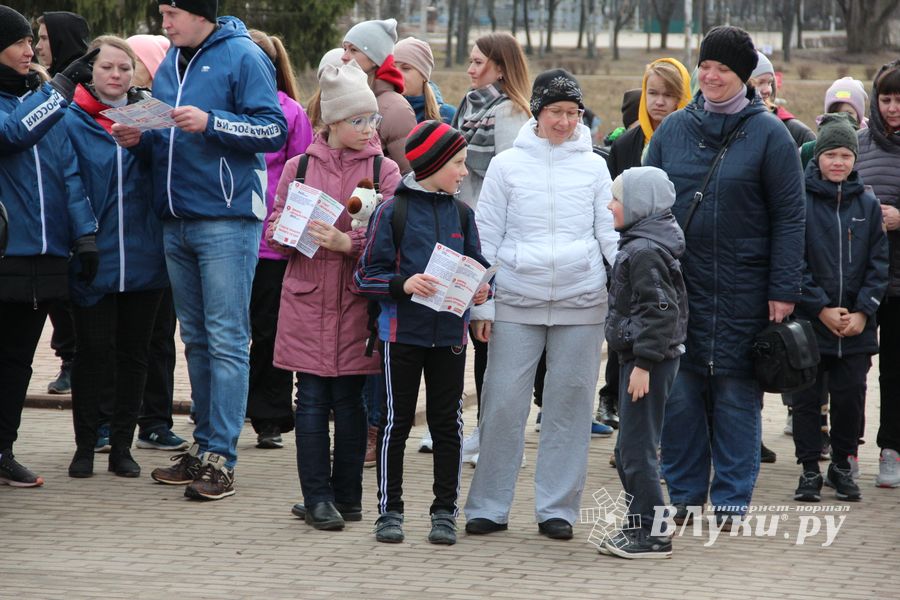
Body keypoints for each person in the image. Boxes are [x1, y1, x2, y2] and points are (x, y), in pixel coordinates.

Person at [112, 0, 287, 501]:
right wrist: (137, 138)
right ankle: (204, 445)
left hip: (226, 219)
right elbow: (169, 136)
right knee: (197, 340)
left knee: (228, 338)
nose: (164, 25)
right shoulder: (172, 60)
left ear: (199, 13)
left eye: (172, 14)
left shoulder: (243, 55)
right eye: (162, 15)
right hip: (176, 218)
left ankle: (221, 459)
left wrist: (212, 122)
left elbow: (272, 130)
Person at [644, 26, 806, 528]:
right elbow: (648, 206)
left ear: (745, 78)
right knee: (683, 398)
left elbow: (790, 216)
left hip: (747, 288)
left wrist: (783, 289)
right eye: (706, 67)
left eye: (724, 70)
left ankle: (733, 501)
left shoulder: (770, 135)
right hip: (681, 287)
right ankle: (688, 496)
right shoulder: (673, 130)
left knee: (737, 397)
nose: (711, 77)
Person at [463, 70, 618, 540]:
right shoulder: (508, 165)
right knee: (503, 405)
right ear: (537, 112)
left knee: (569, 408)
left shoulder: (594, 165)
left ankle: (558, 509)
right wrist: (482, 307)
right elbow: (486, 237)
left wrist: (625, 285)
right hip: (515, 300)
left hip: (582, 301)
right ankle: (489, 505)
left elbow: (607, 233)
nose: (566, 122)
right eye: (556, 112)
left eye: (573, 113)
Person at [267, 62, 400, 530]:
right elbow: (274, 232)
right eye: (357, 121)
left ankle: (349, 497)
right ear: (331, 122)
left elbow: (395, 239)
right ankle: (318, 498)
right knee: (311, 400)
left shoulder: (385, 171)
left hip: (355, 304)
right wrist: (293, 231)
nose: (367, 129)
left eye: (372, 120)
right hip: (305, 298)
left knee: (350, 403)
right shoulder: (298, 167)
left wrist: (350, 245)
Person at [356, 120, 488, 545]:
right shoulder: (392, 211)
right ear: (432, 164)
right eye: (459, 163)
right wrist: (403, 285)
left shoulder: (463, 214)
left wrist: (482, 290)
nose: (464, 172)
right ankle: (389, 512)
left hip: (450, 335)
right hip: (401, 335)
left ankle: (444, 512)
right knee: (395, 422)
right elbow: (365, 277)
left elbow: (477, 268)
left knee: (448, 422)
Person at [64, 36, 170, 478]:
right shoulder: (71, 119)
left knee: (135, 354)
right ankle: (86, 444)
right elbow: (68, 180)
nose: (116, 75)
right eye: (108, 67)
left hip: (146, 257)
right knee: (91, 353)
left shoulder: (151, 116)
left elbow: (168, 171)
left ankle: (123, 446)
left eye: (124, 69)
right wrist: (84, 236)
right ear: (91, 71)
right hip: (95, 255)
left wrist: (149, 139)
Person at [0, 5, 97, 487]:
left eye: (30, 41)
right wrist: (58, 88)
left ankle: (4, 449)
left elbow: (68, 176)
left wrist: (84, 237)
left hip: (46, 255)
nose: (30, 50)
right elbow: (14, 132)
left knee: (19, 360)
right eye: (19, 41)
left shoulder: (39, 101)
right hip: (6, 252)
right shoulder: (32, 105)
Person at [791, 113, 888, 503]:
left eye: (845, 155)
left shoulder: (868, 203)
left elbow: (879, 265)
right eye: (831, 153)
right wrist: (820, 308)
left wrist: (863, 311)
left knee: (851, 398)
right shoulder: (800, 200)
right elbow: (793, 262)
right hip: (813, 324)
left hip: (856, 328)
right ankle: (810, 469)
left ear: (854, 160)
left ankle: (843, 465)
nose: (838, 162)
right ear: (818, 157)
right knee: (807, 400)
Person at [450, 32, 531, 465]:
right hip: (462, 232)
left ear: (500, 66)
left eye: (478, 62)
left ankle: (491, 433)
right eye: (470, 60)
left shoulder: (511, 112)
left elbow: (509, 183)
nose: (471, 68)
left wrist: (496, 256)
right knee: (465, 337)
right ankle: (464, 429)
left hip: (491, 239)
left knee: (489, 341)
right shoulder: (469, 105)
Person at [600, 166, 687, 559]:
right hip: (637, 359)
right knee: (629, 450)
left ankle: (652, 533)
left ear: (639, 205)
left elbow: (660, 311)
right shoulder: (638, 242)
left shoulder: (645, 250)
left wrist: (644, 365)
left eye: (616, 199)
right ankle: (639, 525)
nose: (609, 205)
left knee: (635, 450)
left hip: (647, 363)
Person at [245, 29, 314, 450]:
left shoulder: (290, 113)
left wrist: (294, 238)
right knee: (225, 332)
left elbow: (305, 182)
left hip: (270, 245)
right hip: (226, 235)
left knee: (268, 331)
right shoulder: (220, 111)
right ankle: (220, 407)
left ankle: (269, 416)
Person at [35, 11, 91, 399]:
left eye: (42, 37)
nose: (37, 47)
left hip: (83, 204)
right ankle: (68, 357)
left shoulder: (86, 88)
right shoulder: (42, 86)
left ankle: (76, 361)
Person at [856, 59, 900, 489]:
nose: (892, 107)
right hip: (861, 278)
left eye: (899, 99)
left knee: (896, 370)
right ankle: (846, 451)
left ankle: (891, 448)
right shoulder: (858, 143)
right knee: (851, 366)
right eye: (886, 98)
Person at [342, 18, 417, 173]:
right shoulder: (347, 100)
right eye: (344, 49)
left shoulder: (396, 108)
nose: (344, 57)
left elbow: (409, 175)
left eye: (353, 50)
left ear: (375, 59)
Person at [606, 58, 691, 179]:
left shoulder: (695, 144)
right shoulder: (623, 145)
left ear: (681, 98)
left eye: (668, 95)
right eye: (653, 93)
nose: (659, 102)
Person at [799, 76, 869, 170]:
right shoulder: (807, 152)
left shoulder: (870, 150)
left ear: (859, 117)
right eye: (835, 112)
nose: (841, 118)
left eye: (848, 113)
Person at [749, 51, 816, 147]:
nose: (768, 90)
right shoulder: (725, 127)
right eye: (760, 83)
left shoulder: (797, 133)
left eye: (769, 83)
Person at [393, 37, 455, 124]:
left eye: (406, 68)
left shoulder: (447, 115)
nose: (397, 74)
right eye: (393, 67)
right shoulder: (383, 110)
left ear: (424, 75)